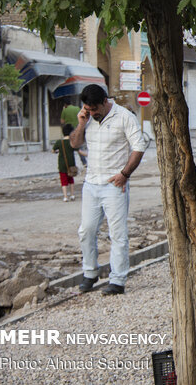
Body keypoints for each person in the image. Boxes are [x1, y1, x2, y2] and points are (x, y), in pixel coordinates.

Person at [70, 84, 146, 296]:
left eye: (95, 109)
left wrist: (125, 174)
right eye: (88, 109)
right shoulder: (88, 119)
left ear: (105, 102)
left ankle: (118, 279)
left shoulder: (124, 117)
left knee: (118, 234)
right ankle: (90, 272)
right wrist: (81, 123)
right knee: (86, 230)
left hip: (115, 185)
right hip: (91, 184)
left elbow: (139, 146)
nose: (92, 113)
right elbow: (75, 144)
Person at [52, 124, 81, 202]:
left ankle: (65, 197)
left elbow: (53, 150)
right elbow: (78, 150)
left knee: (63, 181)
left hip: (62, 164)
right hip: (71, 164)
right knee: (71, 179)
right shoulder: (72, 142)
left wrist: (56, 151)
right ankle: (72, 195)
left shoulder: (59, 142)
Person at [61, 97, 87, 167]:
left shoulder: (65, 110)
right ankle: (84, 162)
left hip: (68, 130)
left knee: (68, 147)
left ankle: (70, 164)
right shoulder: (77, 108)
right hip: (77, 129)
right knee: (79, 147)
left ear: (65, 104)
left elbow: (62, 121)